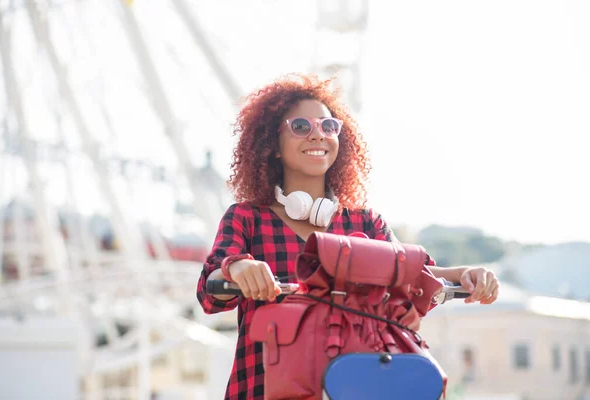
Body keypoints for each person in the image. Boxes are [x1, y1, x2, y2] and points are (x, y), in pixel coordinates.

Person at [196, 74, 500, 400]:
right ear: (272, 145)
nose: (318, 135)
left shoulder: (365, 222)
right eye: (301, 126)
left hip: (352, 388)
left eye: (328, 127)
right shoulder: (247, 217)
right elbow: (210, 292)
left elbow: (410, 274)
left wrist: (464, 275)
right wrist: (237, 270)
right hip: (263, 390)